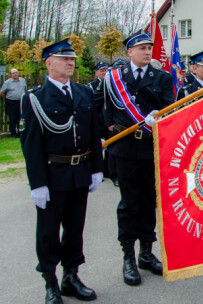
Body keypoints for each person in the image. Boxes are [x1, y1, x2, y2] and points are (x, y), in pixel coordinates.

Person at [19, 38, 104, 304]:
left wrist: (96, 169)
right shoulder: (34, 98)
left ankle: (71, 277)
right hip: (53, 175)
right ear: (49, 63)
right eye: (64, 59)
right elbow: (30, 145)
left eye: (72, 59)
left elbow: (93, 132)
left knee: (75, 229)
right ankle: (50, 282)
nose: (71, 62)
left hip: (80, 172)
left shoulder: (83, 93)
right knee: (48, 233)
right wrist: (37, 184)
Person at [103, 29, 174, 286]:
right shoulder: (114, 78)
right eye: (142, 48)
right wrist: (110, 128)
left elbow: (169, 109)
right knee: (129, 203)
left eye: (149, 48)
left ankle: (146, 252)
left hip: (151, 148)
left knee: (149, 202)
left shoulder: (163, 77)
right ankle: (128, 257)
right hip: (125, 150)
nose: (147, 52)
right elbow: (105, 111)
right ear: (129, 51)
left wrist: (158, 119)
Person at [0, 68, 27, 137]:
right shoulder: (7, 82)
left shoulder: (23, 80)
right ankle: (13, 133)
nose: (15, 74)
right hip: (11, 102)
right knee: (12, 118)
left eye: (16, 72)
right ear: (10, 74)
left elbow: (25, 89)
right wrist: (8, 97)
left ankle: (20, 132)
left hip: (20, 102)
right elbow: (1, 92)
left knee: (21, 117)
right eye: (13, 73)